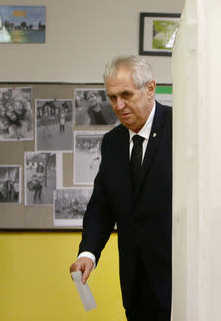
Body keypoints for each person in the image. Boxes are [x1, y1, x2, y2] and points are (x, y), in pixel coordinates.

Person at [69, 55, 172, 321]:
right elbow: (102, 207)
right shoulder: (112, 143)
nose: (119, 105)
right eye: (112, 97)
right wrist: (88, 253)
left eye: (126, 94)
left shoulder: (180, 129)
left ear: (150, 89)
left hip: (178, 278)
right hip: (135, 283)